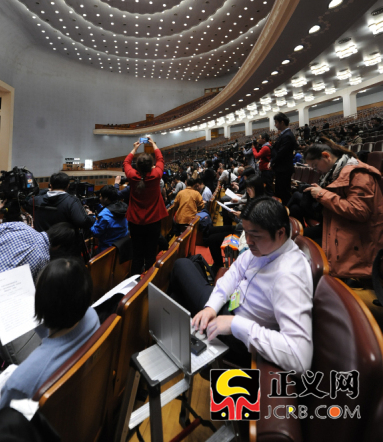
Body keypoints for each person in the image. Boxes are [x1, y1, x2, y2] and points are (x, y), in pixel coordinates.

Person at [170, 198, 313, 372]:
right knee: (183, 266)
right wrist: (211, 307)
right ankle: (183, 341)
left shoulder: (291, 278)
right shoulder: (264, 248)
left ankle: (181, 345)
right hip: (228, 310)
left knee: (181, 268)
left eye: (256, 235)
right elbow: (234, 273)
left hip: (241, 338)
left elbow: (300, 357)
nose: (249, 241)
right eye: (246, 233)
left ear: (280, 233)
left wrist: (235, 325)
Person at [0, 258, 100, 422]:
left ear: (40, 305)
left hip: (33, 424)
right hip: (77, 406)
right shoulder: (92, 317)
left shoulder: (20, 381)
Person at [303, 141, 383, 280]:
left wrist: (322, 194)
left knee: (308, 255)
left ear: (326, 156)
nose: (316, 171)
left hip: (360, 241)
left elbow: (360, 212)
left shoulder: (358, 174)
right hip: (343, 228)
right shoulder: (335, 173)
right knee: (303, 244)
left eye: (315, 166)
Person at [123, 135, 168, 275]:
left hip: (135, 221)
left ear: (137, 166)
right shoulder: (156, 175)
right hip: (153, 221)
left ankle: (135, 282)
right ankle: (149, 281)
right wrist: (153, 144)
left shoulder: (132, 176)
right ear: (151, 165)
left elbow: (126, 162)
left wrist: (135, 148)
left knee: (137, 254)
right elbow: (160, 159)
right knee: (150, 253)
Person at [204, 175, 265, 272]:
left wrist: (241, 216)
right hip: (240, 227)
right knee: (211, 230)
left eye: (250, 188)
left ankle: (218, 267)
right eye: (247, 188)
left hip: (243, 232)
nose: (248, 191)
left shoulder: (261, 203)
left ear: (257, 188)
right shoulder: (253, 199)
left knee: (212, 239)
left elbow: (255, 223)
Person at [26, 172, 92, 233]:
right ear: (68, 186)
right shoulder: (72, 201)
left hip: (42, 241)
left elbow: (26, 203)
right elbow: (82, 222)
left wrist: (45, 190)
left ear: (50, 185)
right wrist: (91, 216)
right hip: (64, 242)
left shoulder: (36, 200)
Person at [86, 185, 129, 254]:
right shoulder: (123, 206)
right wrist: (97, 205)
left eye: (100, 196)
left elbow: (95, 233)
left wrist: (91, 216)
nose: (99, 198)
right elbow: (110, 210)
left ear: (106, 198)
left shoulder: (104, 215)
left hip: (106, 249)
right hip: (121, 246)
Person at [270, 112, 297, 205]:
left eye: (276, 122)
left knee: (283, 193)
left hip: (284, 169)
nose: (275, 125)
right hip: (281, 169)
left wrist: (272, 162)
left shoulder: (287, 135)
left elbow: (281, 153)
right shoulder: (284, 134)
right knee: (279, 192)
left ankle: (286, 213)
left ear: (282, 122)